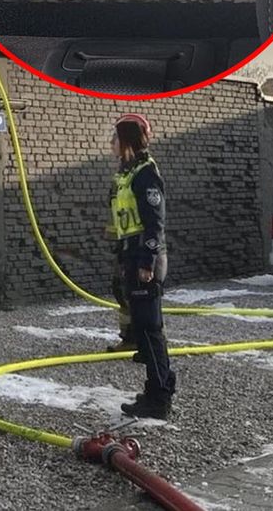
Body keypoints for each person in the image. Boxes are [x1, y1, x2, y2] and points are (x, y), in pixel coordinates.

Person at [108, 113, 176, 419]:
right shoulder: (127, 173)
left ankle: (160, 398)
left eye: (114, 138)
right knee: (143, 330)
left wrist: (147, 261)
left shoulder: (146, 174)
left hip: (145, 257)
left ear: (126, 141)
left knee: (150, 329)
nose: (111, 143)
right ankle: (153, 390)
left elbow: (154, 223)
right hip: (131, 254)